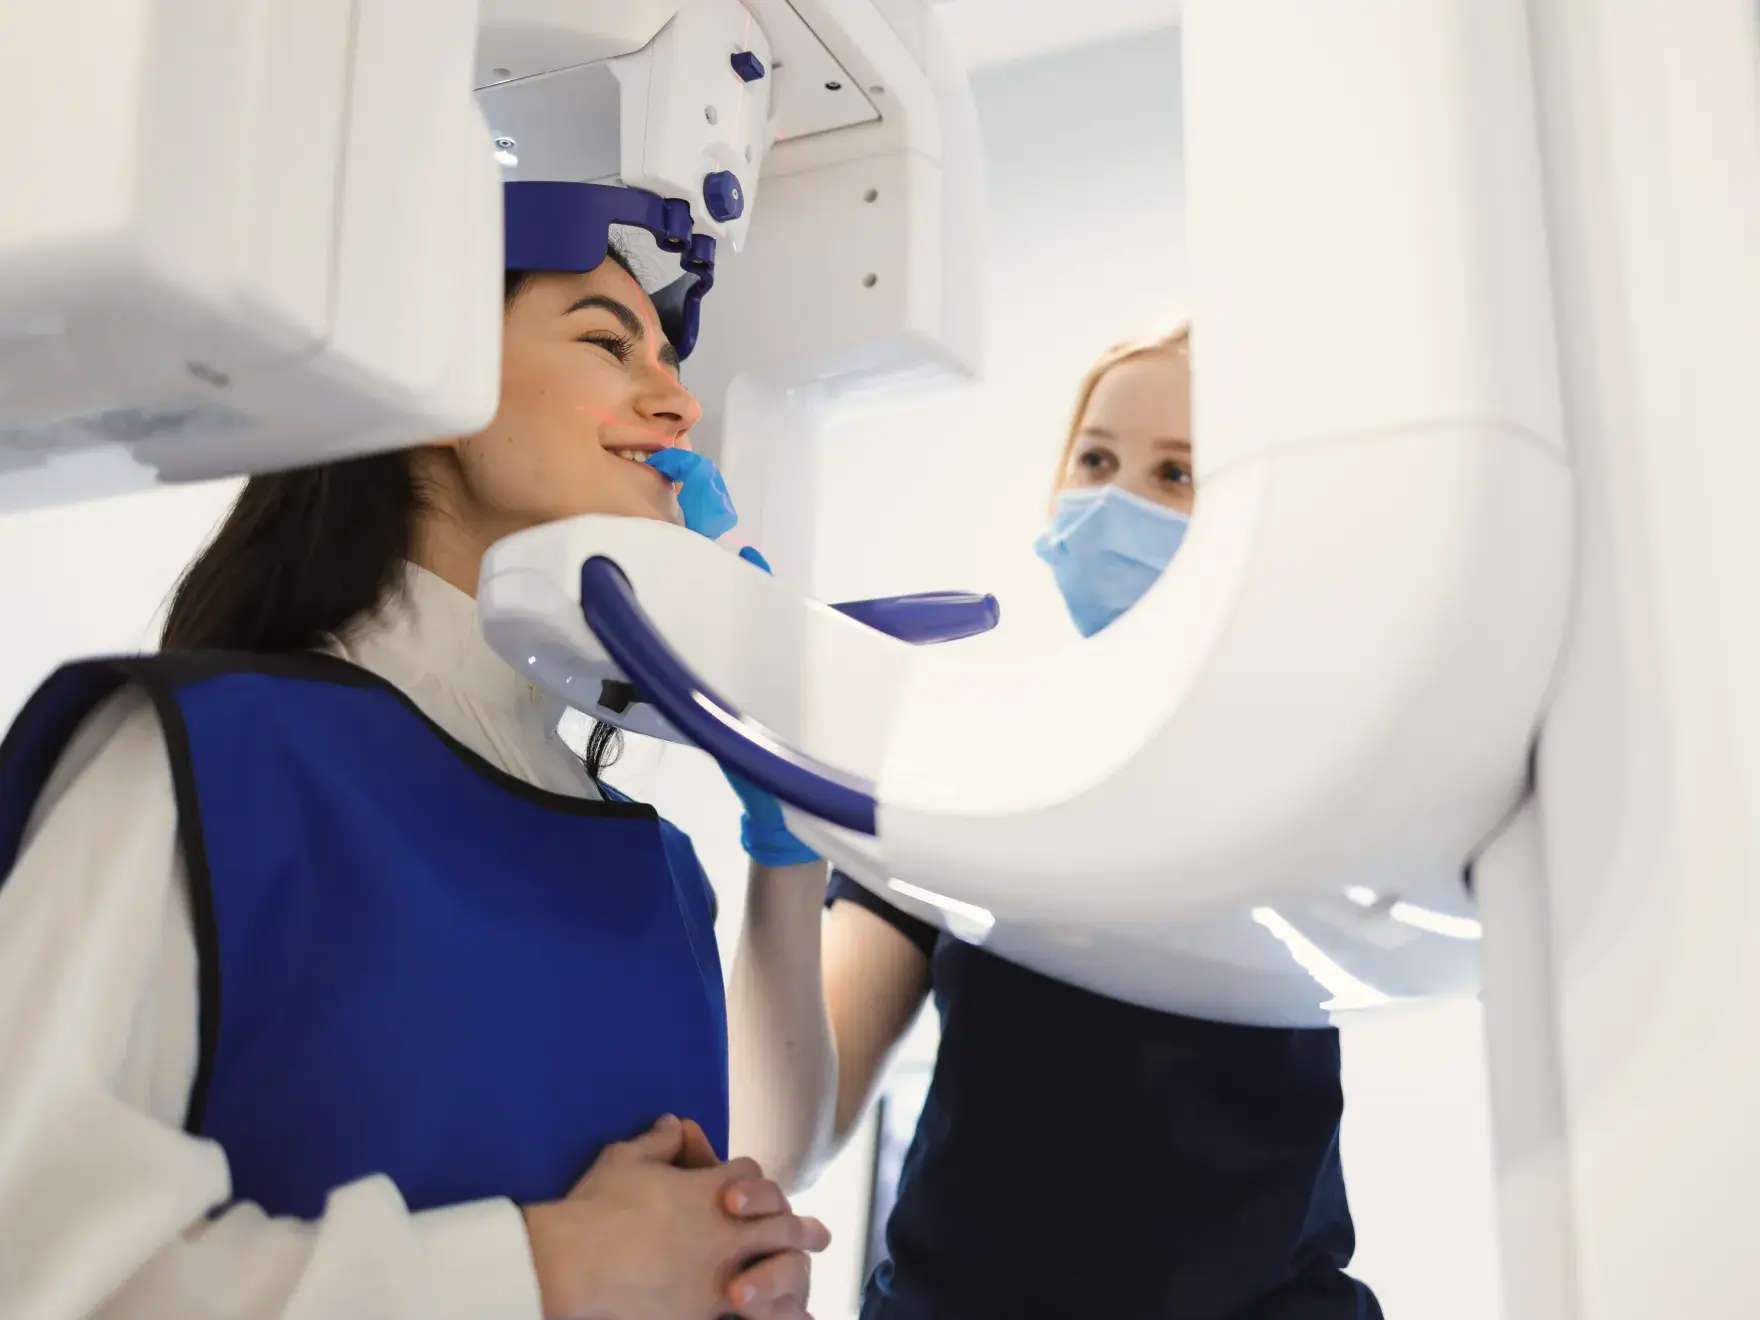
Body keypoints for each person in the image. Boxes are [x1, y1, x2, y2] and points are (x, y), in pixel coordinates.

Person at [0, 228, 832, 1320]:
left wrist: (733, 1262)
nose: (678, 408)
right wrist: (542, 1272)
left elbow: (767, 1157)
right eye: (606, 343)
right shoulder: (203, 761)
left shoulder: (655, 866)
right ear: (433, 379)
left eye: (670, 365)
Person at [737, 327, 1386, 1319]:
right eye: (1095, 459)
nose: (1115, 503)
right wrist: (787, 841)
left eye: (1176, 472)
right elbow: (787, 1129)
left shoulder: (1310, 769)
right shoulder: (970, 762)